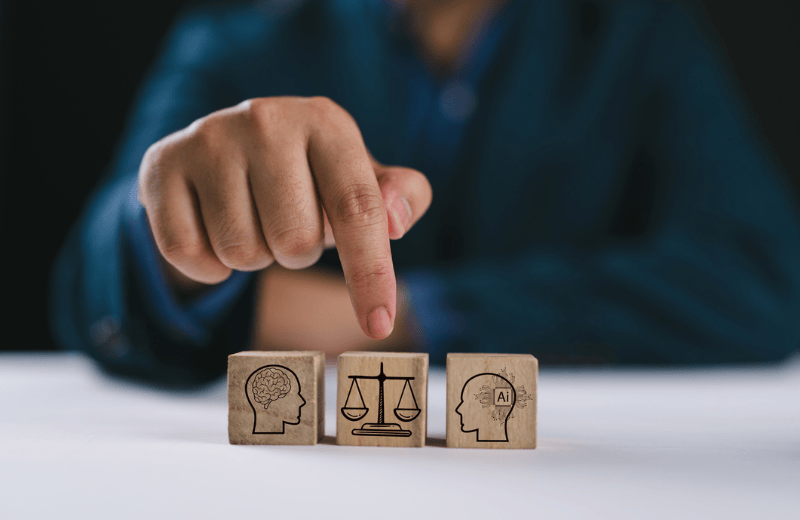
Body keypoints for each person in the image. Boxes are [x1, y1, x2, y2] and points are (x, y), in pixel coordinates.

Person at [50, 0, 800, 386]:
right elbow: (95, 287)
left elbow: (768, 280)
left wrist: (416, 316)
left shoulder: (636, 35)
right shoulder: (239, 38)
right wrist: (175, 249)